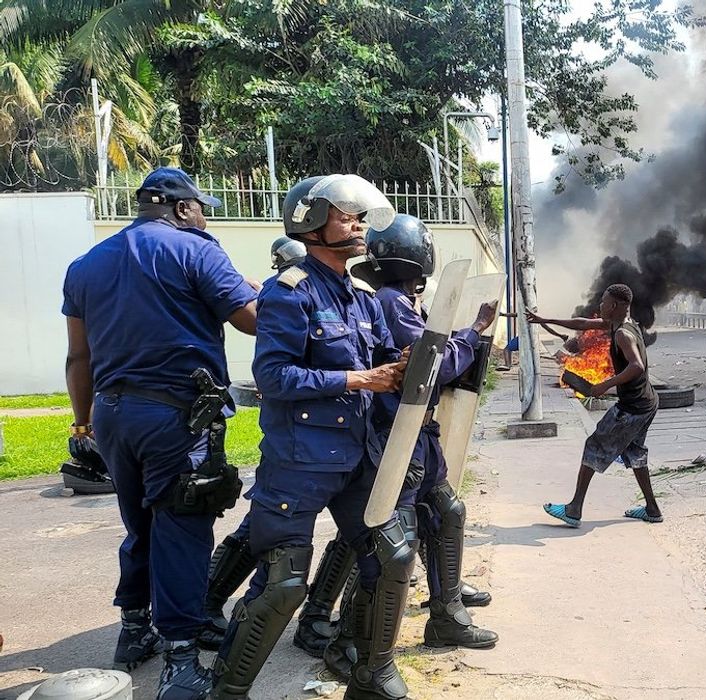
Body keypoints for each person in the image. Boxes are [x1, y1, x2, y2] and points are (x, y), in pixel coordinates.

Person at [211, 175, 415, 700]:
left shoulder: (362, 294)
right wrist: (358, 379)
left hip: (357, 457)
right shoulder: (289, 292)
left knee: (389, 558)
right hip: (299, 463)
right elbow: (274, 378)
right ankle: (227, 691)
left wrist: (404, 364)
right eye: (345, 214)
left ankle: (373, 673)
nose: (358, 223)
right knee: (282, 585)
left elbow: (380, 362)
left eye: (359, 214)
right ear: (310, 221)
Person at [62, 167, 259, 697]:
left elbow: (78, 356)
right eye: (200, 208)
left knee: (141, 523)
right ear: (180, 207)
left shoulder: (86, 264)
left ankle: (133, 631)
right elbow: (252, 319)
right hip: (178, 416)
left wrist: (83, 423)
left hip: (112, 415)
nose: (203, 218)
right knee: (183, 527)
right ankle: (181, 659)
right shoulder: (196, 250)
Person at [344, 214, 499, 654]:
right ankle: (360, 641)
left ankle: (447, 614)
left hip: (418, 433)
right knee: (398, 539)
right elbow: (436, 364)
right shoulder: (393, 301)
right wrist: (473, 332)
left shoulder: (402, 300)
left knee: (446, 512)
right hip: (400, 434)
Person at [531, 285, 663, 526]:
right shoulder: (622, 323)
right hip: (647, 403)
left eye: (603, 302)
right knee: (634, 453)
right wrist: (544, 319)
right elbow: (582, 323)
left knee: (594, 445)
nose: (600, 306)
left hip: (632, 408)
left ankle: (574, 509)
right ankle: (652, 509)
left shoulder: (623, 333)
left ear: (614, 306)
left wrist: (604, 385)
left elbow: (636, 366)